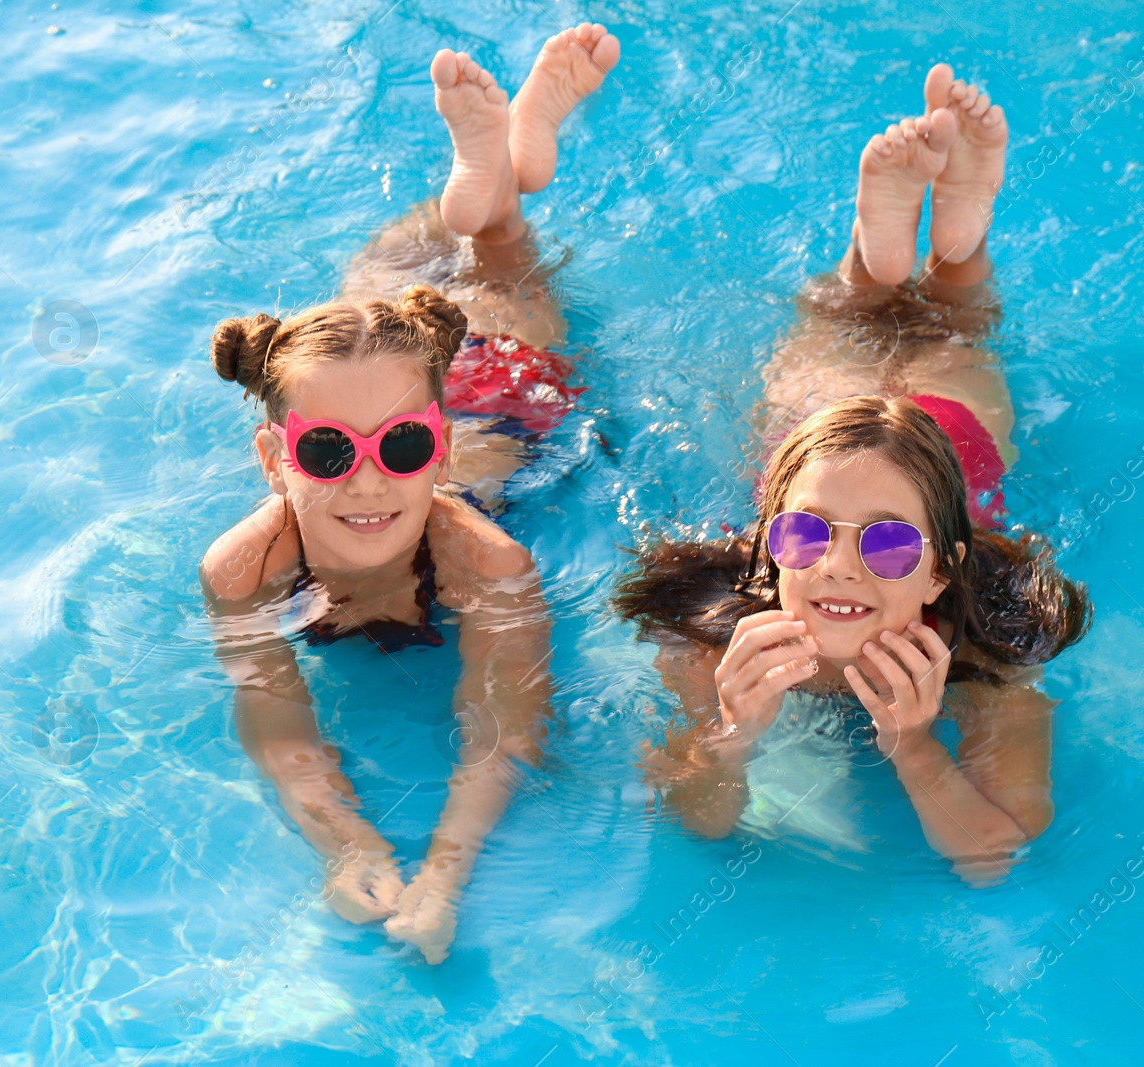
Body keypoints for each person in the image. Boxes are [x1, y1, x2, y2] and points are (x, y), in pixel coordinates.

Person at [199, 24, 620, 962]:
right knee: (392, 293)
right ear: (274, 459)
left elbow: (507, 728)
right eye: (322, 452)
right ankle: (497, 170)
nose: (366, 477)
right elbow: (277, 733)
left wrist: (444, 872)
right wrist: (344, 845)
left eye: (400, 449)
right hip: (381, 365)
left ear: (433, 450)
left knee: (497, 255)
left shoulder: (489, 559)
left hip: (502, 401)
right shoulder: (240, 568)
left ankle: (503, 175)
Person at [615, 64, 1090, 886]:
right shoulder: (714, 634)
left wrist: (912, 746)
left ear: (944, 568)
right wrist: (728, 732)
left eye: (890, 547)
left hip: (951, 449)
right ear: (769, 545)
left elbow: (992, 856)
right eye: (806, 535)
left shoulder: (984, 643)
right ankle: (903, 246)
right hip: (826, 449)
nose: (839, 564)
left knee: (923, 337)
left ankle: (937, 245)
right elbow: (700, 819)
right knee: (939, 339)